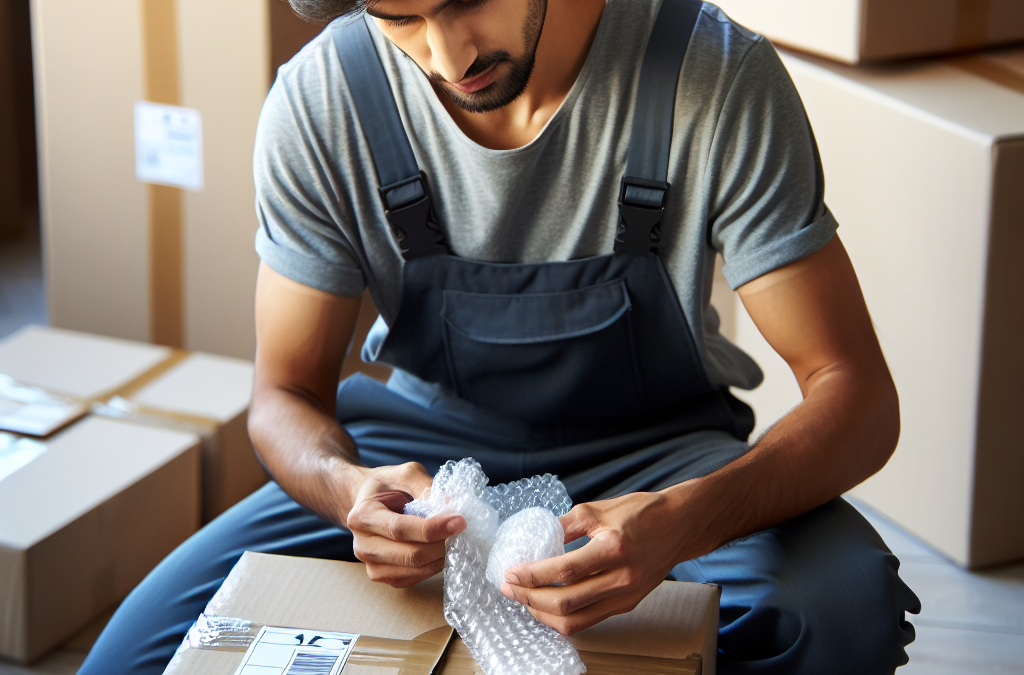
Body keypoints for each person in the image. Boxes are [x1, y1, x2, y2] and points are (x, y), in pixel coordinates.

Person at [79, 0, 921, 673]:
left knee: (842, 611)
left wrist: (682, 520)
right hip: (421, 457)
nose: (447, 58)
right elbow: (283, 394)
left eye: (466, 0)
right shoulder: (321, 101)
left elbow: (856, 394)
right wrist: (346, 490)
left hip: (658, 452)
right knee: (136, 655)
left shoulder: (715, 75)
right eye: (399, 17)